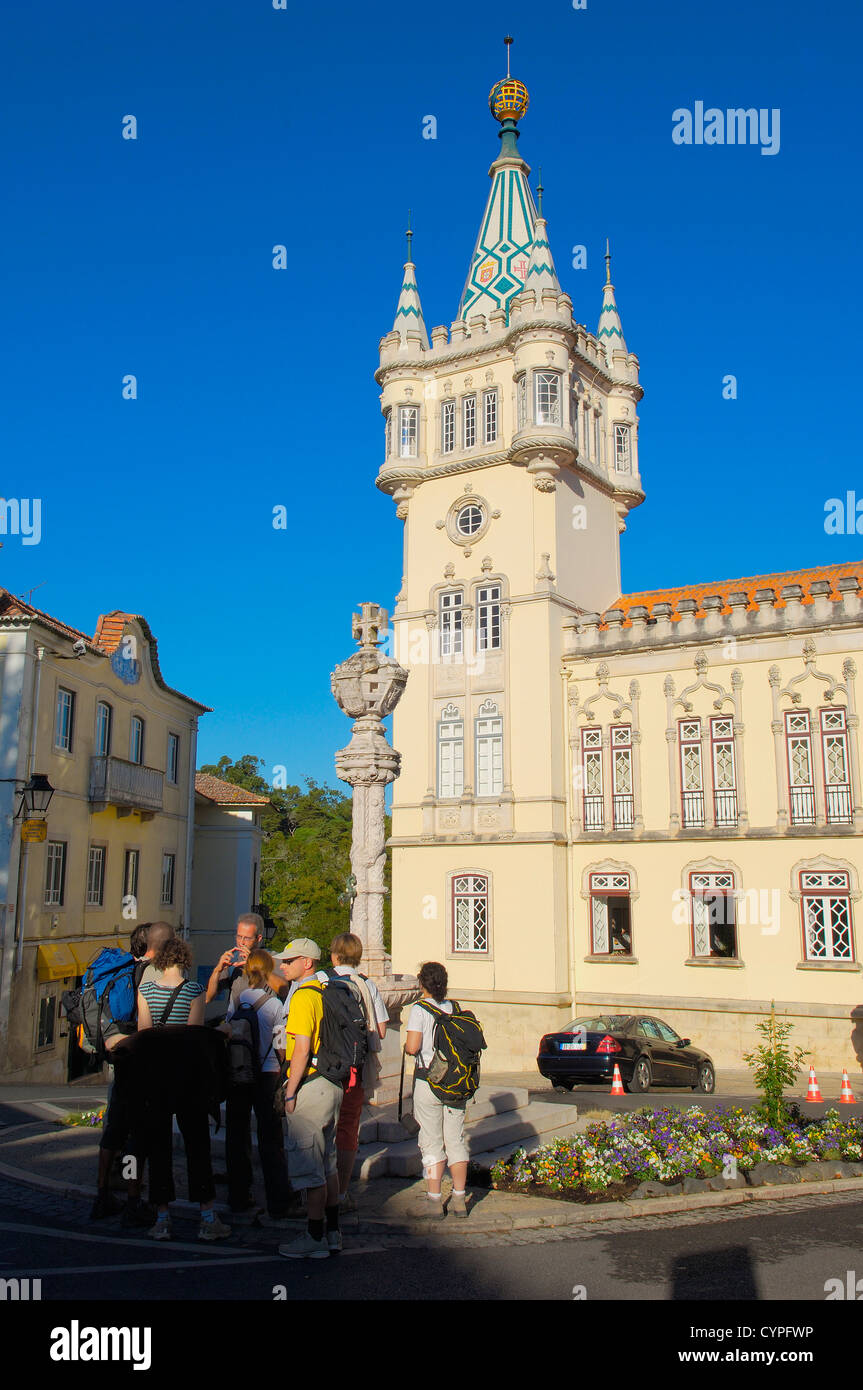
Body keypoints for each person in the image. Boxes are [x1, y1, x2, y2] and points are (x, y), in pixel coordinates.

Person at [136, 937, 231, 1242]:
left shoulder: (145, 991)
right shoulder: (194, 991)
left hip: (155, 1078)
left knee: (158, 1148)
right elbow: (195, 1037)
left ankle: (162, 1218)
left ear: (160, 961)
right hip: (188, 1079)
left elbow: (144, 1035)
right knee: (197, 1146)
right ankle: (207, 1216)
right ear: (185, 960)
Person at [90, 920, 174, 1224]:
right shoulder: (151, 974)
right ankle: (133, 1197)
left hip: (119, 1058)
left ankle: (101, 1194)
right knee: (137, 1138)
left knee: (114, 1131)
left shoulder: (122, 969)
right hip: (141, 1063)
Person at [276, 939, 344, 1259]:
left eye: (289, 960)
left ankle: (313, 1237)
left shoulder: (303, 996)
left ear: (307, 963)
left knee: (309, 1165)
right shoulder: (326, 991)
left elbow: (301, 1047)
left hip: (311, 1086)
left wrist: (290, 1091)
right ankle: (333, 1232)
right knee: (327, 1162)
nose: (282, 965)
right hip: (332, 1084)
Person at [221, 948, 295, 1219]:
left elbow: (229, 1027)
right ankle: (277, 1198)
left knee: (236, 1135)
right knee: (270, 1138)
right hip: (267, 1074)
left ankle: (238, 1194)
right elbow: (281, 1046)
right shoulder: (274, 1004)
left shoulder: (239, 998)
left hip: (239, 1071)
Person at [404, 961, 470, 1218]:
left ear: (423, 984)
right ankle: (459, 1199)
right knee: (456, 1140)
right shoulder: (455, 1008)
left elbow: (412, 1047)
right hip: (455, 1083)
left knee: (431, 1142)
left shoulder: (419, 1010)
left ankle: (433, 1200)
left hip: (428, 1082)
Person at [328, 932, 388, 1211]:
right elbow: (381, 1030)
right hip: (354, 1067)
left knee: (321, 1126)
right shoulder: (367, 985)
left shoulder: (319, 980)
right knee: (348, 1126)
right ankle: (341, 1192)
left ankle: (315, 1192)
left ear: (334, 955)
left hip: (324, 1066)